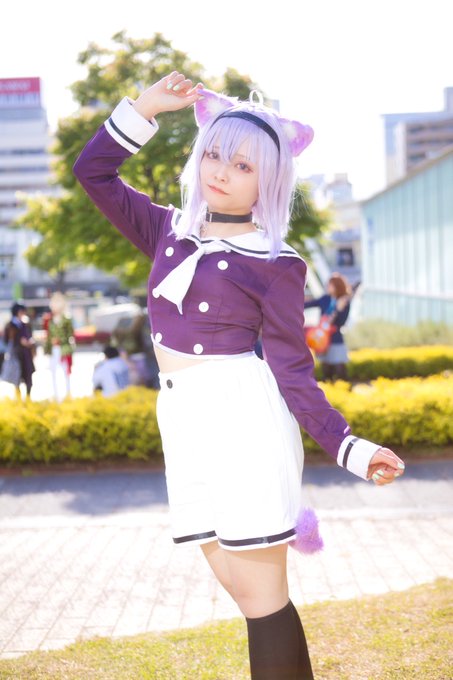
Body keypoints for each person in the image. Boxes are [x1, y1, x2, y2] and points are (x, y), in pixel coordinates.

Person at [74, 72, 405, 680]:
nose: (222, 172)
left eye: (243, 165)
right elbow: (93, 172)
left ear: (268, 180)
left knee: (261, 599)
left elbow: (293, 372)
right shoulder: (169, 231)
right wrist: (145, 108)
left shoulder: (278, 264)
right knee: (252, 596)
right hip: (182, 421)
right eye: (215, 154)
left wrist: (352, 449)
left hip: (244, 423)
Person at [304, 273, 352, 381]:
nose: (327, 287)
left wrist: (338, 310)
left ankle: (342, 388)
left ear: (337, 286)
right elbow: (307, 305)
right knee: (326, 370)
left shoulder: (344, 302)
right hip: (322, 339)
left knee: (340, 370)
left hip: (335, 339)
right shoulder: (325, 299)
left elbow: (341, 322)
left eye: (330, 285)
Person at [43, 292, 75, 401]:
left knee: (66, 371)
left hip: (63, 349)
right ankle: (56, 394)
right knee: (53, 372)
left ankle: (68, 393)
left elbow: (70, 335)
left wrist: (60, 340)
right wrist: (48, 346)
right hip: (53, 349)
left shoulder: (66, 319)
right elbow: (48, 335)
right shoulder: (49, 319)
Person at [2, 302, 35, 398]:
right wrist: (19, 341)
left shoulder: (26, 324)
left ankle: (28, 398)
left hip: (26, 355)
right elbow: (6, 340)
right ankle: (18, 399)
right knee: (16, 379)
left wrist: (30, 342)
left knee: (28, 378)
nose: (23, 314)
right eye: (21, 312)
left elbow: (30, 336)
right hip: (16, 355)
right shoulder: (10, 325)